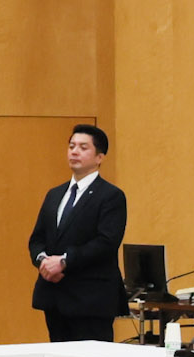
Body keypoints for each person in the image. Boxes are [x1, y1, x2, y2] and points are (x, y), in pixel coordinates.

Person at [27, 122, 128, 344]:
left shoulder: (110, 196)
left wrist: (64, 261)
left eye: (83, 147)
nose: (74, 151)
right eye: (71, 146)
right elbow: (37, 238)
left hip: (90, 298)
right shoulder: (55, 194)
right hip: (54, 295)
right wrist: (43, 261)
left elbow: (106, 242)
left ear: (99, 157)